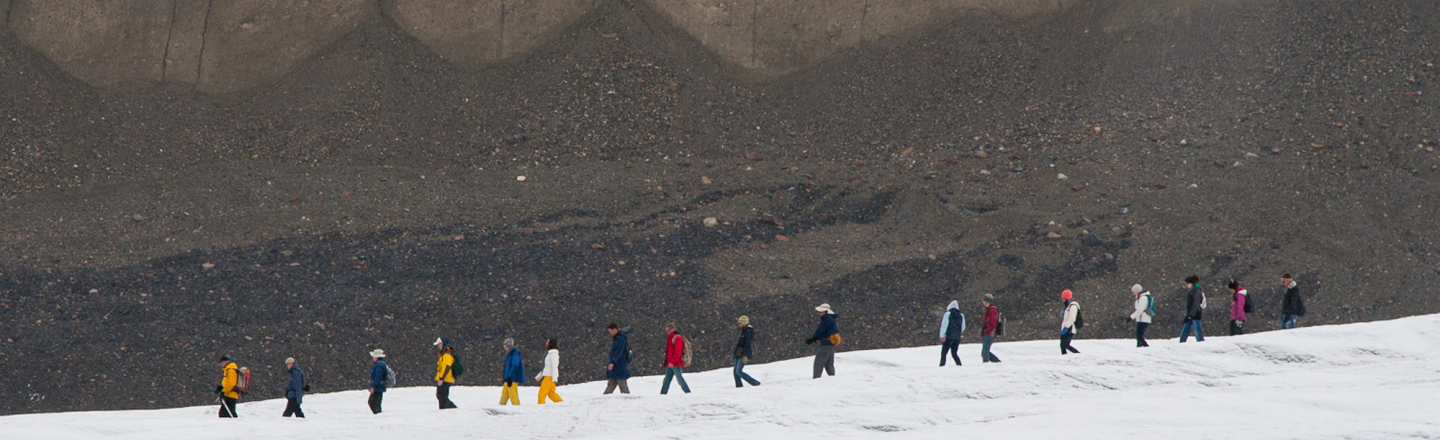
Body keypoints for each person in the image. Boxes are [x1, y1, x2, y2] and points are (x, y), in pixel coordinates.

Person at [805, 303, 839, 378]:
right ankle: (832, 377)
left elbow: (821, 329)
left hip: (826, 342)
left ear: (826, 311)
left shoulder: (826, 319)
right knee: (828, 363)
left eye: (821, 311)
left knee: (819, 361)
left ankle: (816, 378)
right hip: (831, 342)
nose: (819, 313)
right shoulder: (831, 318)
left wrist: (814, 337)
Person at [661, 323, 692, 394]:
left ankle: (687, 392)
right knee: (667, 379)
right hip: (671, 363)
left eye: (668, 330)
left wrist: (672, 361)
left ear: (673, 329)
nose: (667, 332)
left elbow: (678, 351)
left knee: (679, 379)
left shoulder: (677, 338)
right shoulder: (671, 338)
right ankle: (663, 393)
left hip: (675, 363)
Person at [733, 316, 761, 387]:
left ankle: (754, 382)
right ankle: (738, 385)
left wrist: (745, 355)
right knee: (735, 371)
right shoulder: (743, 331)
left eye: (740, 323)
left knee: (739, 371)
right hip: (738, 353)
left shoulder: (747, 331)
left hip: (743, 354)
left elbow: (747, 344)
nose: (739, 325)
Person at [604, 323, 631, 394]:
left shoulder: (620, 339)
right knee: (612, 382)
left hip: (619, 365)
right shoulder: (619, 338)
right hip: (617, 365)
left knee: (621, 382)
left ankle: (627, 399)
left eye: (610, 331)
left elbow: (618, 352)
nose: (610, 333)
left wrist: (612, 362)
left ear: (615, 330)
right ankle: (605, 397)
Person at [535, 338, 563, 404]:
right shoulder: (549, 354)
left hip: (549, 377)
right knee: (551, 394)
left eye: (548, 342)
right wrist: (540, 375)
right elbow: (546, 367)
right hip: (549, 376)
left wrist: (554, 378)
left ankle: (540, 407)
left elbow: (554, 367)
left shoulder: (553, 355)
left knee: (541, 394)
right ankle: (561, 404)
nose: (546, 343)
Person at [1180, 275, 1206, 342]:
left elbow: (1196, 304)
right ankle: (1182, 342)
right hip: (1191, 314)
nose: (1186, 285)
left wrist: (1191, 315)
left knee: (1197, 331)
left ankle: (1200, 342)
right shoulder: (1193, 291)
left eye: (1187, 283)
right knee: (1185, 330)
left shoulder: (1196, 291)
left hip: (1195, 314)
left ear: (1191, 283)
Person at [434, 337, 458, 409]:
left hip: (446, 378)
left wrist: (441, 378)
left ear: (442, 344)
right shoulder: (444, 353)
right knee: (442, 395)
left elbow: (446, 367)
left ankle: (449, 408)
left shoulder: (446, 354)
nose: (438, 346)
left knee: (441, 395)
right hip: (446, 378)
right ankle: (445, 408)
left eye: (439, 344)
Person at [500, 338, 525, 405]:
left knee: (513, 394)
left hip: (512, 379)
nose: (504, 347)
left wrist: (510, 377)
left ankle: (516, 407)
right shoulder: (510, 354)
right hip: (508, 379)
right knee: (504, 394)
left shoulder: (514, 354)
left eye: (505, 345)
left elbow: (515, 365)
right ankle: (501, 406)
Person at [938, 300, 964, 366]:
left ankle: (942, 365)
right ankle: (959, 365)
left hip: (948, 337)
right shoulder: (961, 315)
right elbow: (963, 327)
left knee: (944, 353)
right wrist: (958, 333)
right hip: (957, 338)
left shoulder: (948, 314)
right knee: (954, 353)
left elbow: (944, 325)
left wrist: (942, 335)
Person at [980, 295, 1001, 363]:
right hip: (991, 333)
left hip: (990, 333)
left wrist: (987, 331)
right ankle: (997, 362)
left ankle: (988, 363)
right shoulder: (991, 309)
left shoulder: (991, 310)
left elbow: (992, 323)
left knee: (985, 352)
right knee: (985, 351)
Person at [1059, 290, 1081, 354]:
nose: (1063, 300)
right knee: (1062, 345)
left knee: (1066, 345)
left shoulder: (1073, 306)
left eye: (1064, 298)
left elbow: (1072, 318)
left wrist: (1066, 327)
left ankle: (1078, 354)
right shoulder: (1067, 306)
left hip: (1070, 329)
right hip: (1065, 328)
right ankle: (1064, 357)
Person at [367, 349, 388, 414]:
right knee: (376, 403)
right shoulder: (381, 364)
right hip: (379, 386)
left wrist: (373, 386)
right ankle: (378, 414)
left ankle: (378, 415)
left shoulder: (378, 365)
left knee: (372, 402)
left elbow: (377, 377)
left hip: (378, 387)